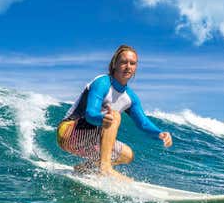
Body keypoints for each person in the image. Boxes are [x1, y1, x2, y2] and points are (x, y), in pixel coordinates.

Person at [56, 45, 172, 180]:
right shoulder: (103, 82)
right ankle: (105, 168)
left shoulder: (130, 98)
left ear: (135, 68)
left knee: (127, 155)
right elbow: (90, 114)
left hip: (88, 141)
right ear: (114, 64)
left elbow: (143, 123)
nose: (128, 66)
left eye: (132, 63)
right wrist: (102, 118)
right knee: (114, 115)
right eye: (123, 62)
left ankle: (84, 168)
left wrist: (159, 134)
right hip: (68, 133)